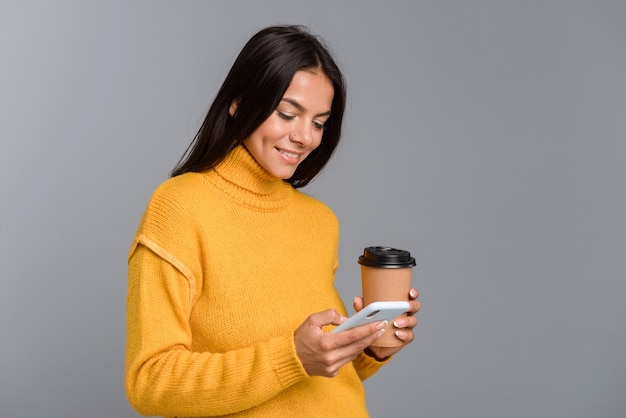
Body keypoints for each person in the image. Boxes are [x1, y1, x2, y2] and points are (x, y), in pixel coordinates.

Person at [125, 25, 420, 417]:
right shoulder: (180, 207)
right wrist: (291, 356)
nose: (304, 137)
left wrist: (369, 347)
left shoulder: (319, 221)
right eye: (287, 114)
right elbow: (150, 382)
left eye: (318, 122)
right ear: (238, 101)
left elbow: (312, 383)